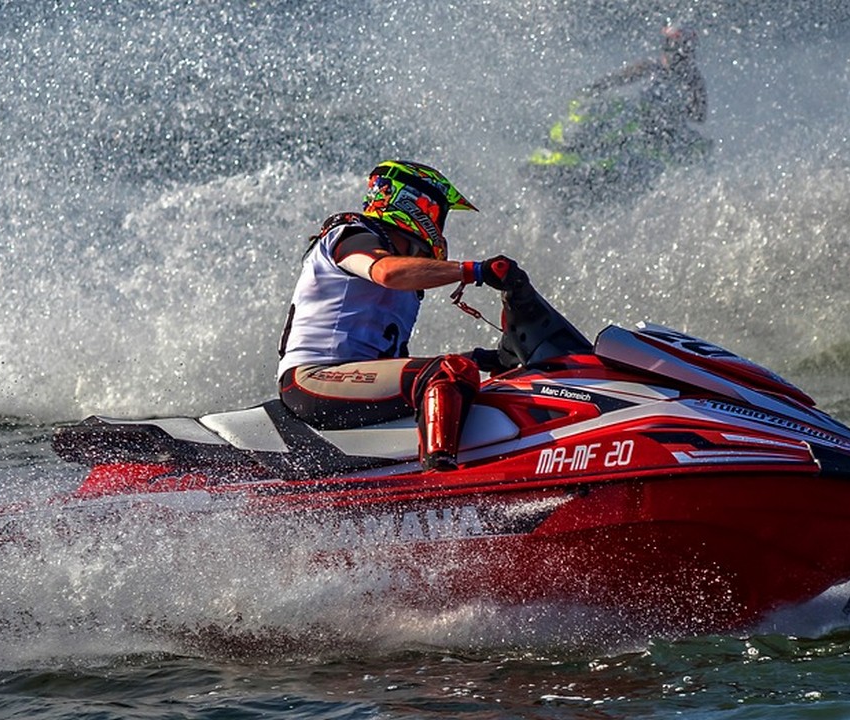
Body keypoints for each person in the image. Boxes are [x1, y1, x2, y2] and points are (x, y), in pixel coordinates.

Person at [277, 160, 516, 472]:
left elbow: (389, 365)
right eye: (440, 212)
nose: (440, 225)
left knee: (463, 371)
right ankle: (441, 482)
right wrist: (474, 270)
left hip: (349, 378)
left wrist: (483, 358)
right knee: (447, 371)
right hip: (312, 379)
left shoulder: (409, 281)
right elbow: (386, 272)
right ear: (415, 202)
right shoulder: (351, 236)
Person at [530, 25, 708, 183]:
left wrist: (669, 114)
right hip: (634, 124)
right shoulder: (649, 67)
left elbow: (699, 115)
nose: (676, 54)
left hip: (663, 133)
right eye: (671, 47)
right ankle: (569, 159)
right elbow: (614, 80)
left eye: (683, 49)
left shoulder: (694, 79)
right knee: (604, 124)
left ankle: (622, 176)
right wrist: (589, 91)